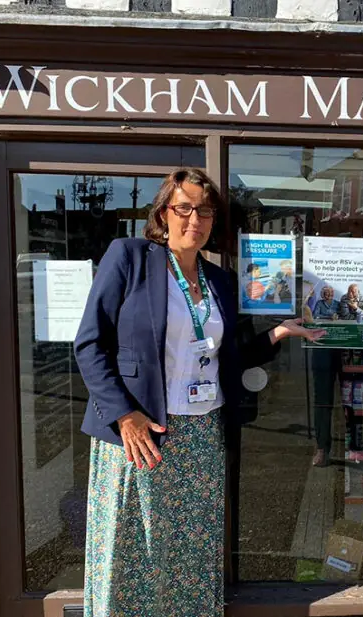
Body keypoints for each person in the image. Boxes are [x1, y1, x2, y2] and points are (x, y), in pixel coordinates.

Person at [74, 168, 325, 617]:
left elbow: (226, 358)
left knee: (191, 551)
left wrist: (278, 334)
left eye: (204, 210)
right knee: (136, 550)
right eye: (183, 207)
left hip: (202, 434)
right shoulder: (129, 257)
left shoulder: (219, 280)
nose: (195, 218)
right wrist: (123, 415)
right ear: (163, 213)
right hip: (141, 432)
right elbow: (90, 344)